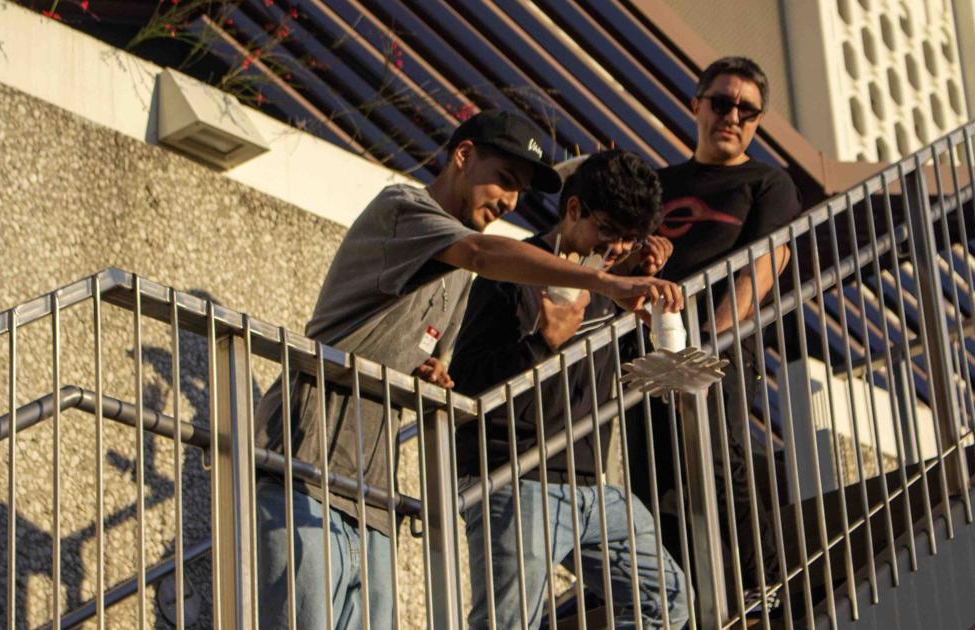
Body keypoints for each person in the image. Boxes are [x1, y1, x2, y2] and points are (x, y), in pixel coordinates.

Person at [253, 111, 683, 630]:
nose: (510, 201)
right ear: (463, 156)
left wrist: (431, 376)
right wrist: (600, 288)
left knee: (673, 601)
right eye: (505, 179)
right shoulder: (404, 209)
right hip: (302, 459)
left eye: (520, 191)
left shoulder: (459, 272)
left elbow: (436, 361)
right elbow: (480, 254)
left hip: (372, 488)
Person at [451, 150, 690, 630]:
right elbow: (468, 381)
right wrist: (542, 343)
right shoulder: (512, 272)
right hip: (514, 477)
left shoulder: (613, 284)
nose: (616, 248)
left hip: (588, 485)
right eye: (608, 231)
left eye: (630, 238)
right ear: (574, 209)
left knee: (668, 603)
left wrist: (641, 290)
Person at [628, 56, 803, 612]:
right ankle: (685, 598)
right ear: (696, 105)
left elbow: (763, 266)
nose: (732, 116)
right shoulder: (658, 185)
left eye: (747, 110)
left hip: (714, 345)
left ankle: (765, 583)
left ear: (757, 121)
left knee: (720, 456)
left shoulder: (766, 183)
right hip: (644, 345)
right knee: (649, 473)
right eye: (722, 103)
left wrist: (708, 344)